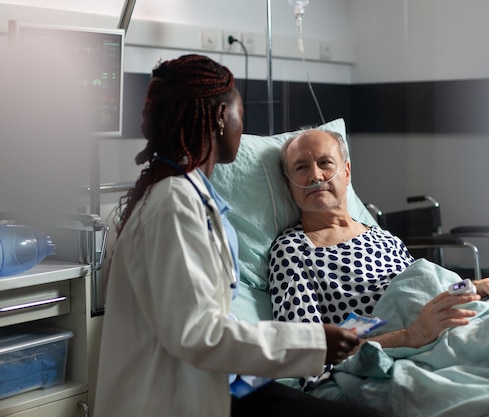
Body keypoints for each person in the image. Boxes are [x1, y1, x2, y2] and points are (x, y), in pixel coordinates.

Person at [93, 55, 384, 417]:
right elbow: (199, 334)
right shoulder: (174, 206)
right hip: (167, 398)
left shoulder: (190, 197)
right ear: (219, 117)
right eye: (239, 114)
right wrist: (315, 341)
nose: (241, 125)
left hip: (213, 382)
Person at [269, 128, 489, 353]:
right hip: (432, 343)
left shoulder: (382, 237)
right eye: (301, 167)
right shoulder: (293, 251)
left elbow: (425, 288)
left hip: (467, 316)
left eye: (325, 163)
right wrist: (411, 335)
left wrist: (470, 287)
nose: (315, 176)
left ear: (346, 173)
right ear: (289, 186)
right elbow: (302, 352)